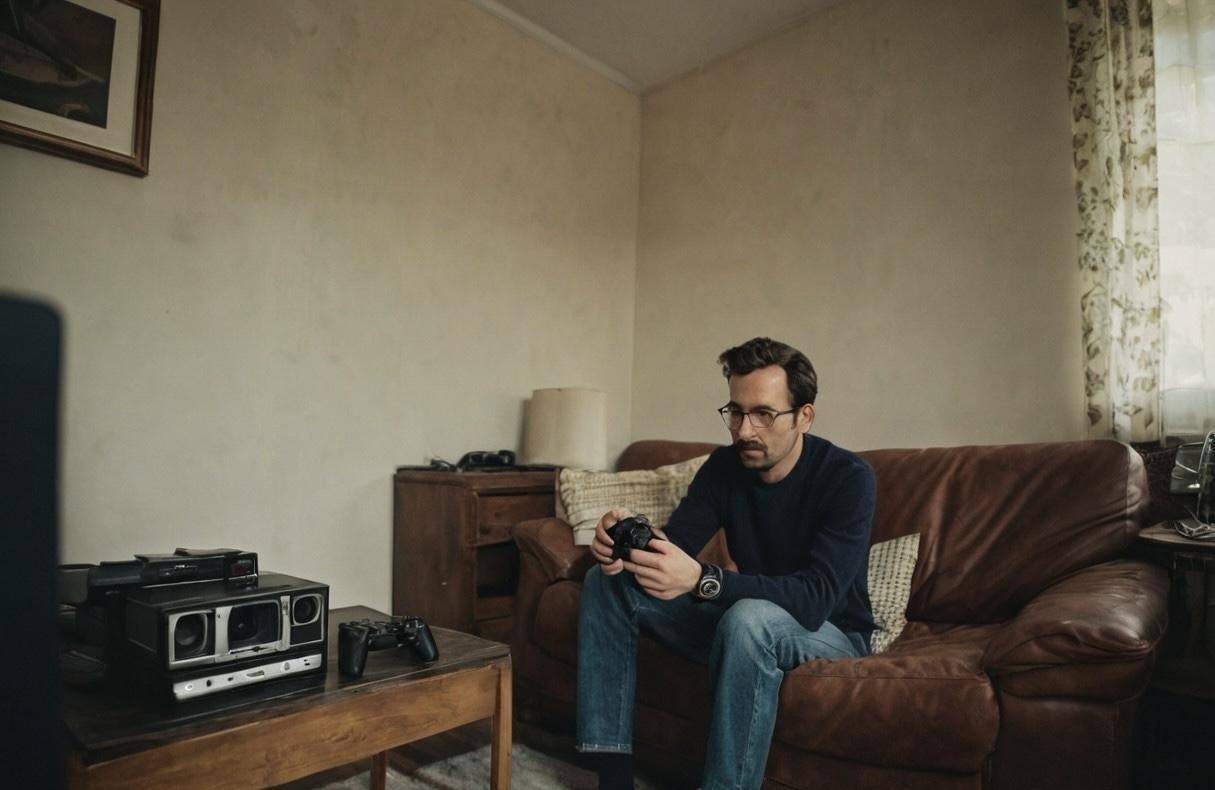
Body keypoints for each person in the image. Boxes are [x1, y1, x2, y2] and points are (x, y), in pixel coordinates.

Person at [576, 337, 876, 790]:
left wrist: (702, 579)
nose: (744, 430)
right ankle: (613, 780)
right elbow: (675, 546)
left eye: (764, 414)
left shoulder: (848, 479)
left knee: (749, 619)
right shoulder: (724, 466)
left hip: (832, 631)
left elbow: (814, 599)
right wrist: (623, 548)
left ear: (804, 417)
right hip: (743, 618)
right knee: (605, 582)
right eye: (735, 412)